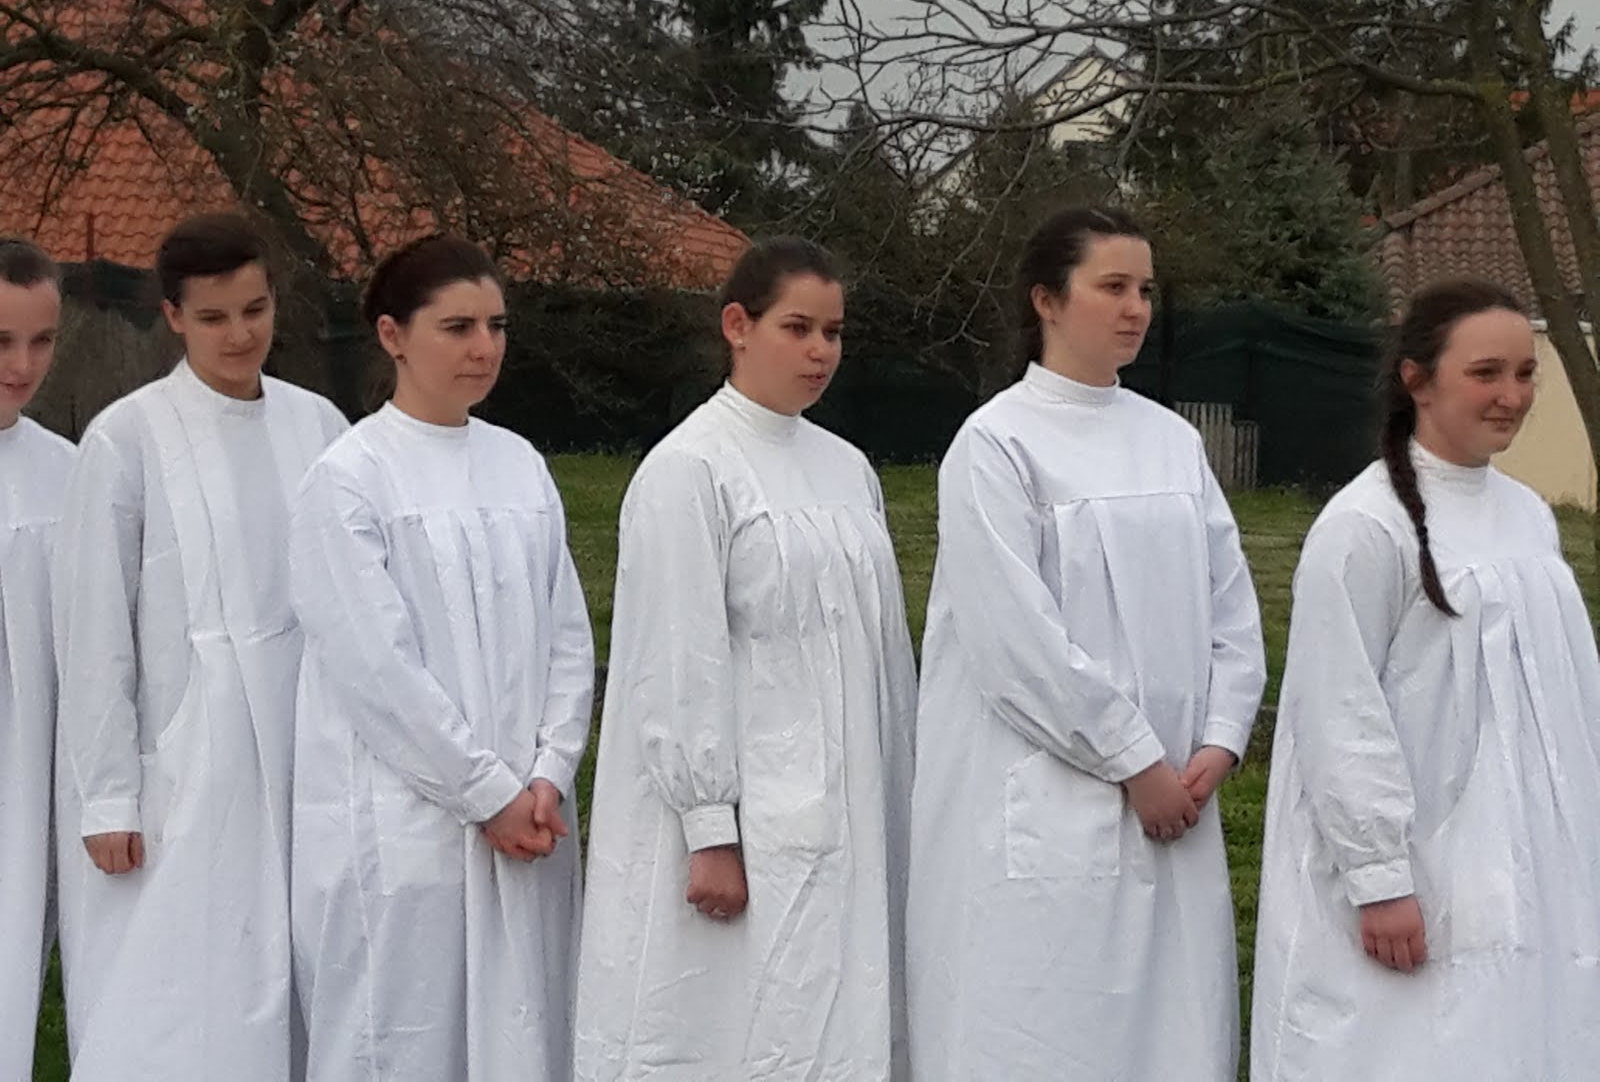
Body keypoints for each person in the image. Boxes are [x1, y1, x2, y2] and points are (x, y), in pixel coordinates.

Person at [906, 207, 1266, 1080]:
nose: (1136, 307)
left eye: (1145, 289)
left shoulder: (1171, 442)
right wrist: (1134, 760)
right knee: (1045, 1029)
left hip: (1176, 798)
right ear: (1047, 300)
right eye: (1113, 286)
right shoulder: (997, 445)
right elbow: (1015, 642)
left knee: (1167, 1030)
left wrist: (1219, 739)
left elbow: (1232, 607)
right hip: (1049, 800)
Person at [575, 236, 918, 1081]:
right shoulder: (690, 470)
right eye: (797, 328)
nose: (819, 351)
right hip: (744, 818)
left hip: (850, 805)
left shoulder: (847, 469)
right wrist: (709, 831)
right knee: (734, 1023)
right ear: (738, 325)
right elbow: (674, 659)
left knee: (835, 1015)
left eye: (833, 332)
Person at [1251, 278, 1600, 1079]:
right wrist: (1378, 879)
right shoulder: (1364, 527)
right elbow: (1337, 715)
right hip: (1418, 864)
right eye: (1486, 373)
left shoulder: (1528, 515)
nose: (1513, 396)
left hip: (1531, 851)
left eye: (1525, 373)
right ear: (1418, 379)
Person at [289, 233, 594, 1080]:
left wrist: (549, 771)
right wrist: (486, 792)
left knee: (525, 1030)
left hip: (529, 821)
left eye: (496, 325)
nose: (484, 347)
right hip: (408, 821)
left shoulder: (519, 465)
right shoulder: (350, 478)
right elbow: (377, 672)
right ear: (393, 335)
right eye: (457, 327)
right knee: (402, 1038)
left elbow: (568, 635)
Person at [52, 212, 347, 1082]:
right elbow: (94, 627)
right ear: (174, 317)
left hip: (305, 733)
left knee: (306, 960)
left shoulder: (320, 425)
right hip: (189, 749)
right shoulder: (127, 437)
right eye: (214, 318)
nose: (240, 335)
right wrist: (108, 795)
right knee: (186, 976)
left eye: (254, 310)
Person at [0, 240, 72, 1082]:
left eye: (41, 340)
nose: (22, 367)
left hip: (28, 792)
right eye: (1, 342)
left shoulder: (70, 473)